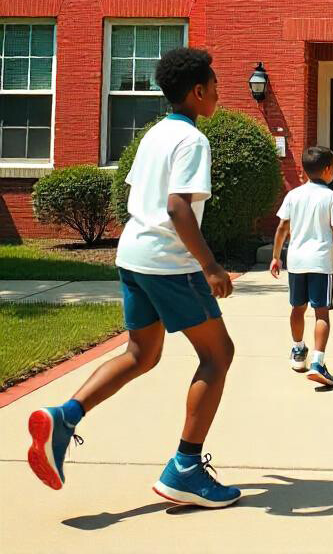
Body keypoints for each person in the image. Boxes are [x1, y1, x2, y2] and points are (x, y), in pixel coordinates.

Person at [27, 47, 240, 507]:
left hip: (134, 255)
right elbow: (178, 207)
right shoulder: (192, 141)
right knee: (218, 354)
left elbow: (141, 195)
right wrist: (210, 266)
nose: (218, 94)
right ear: (198, 91)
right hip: (169, 262)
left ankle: (65, 415)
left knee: (142, 353)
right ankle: (186, 469)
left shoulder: (154, 134)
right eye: (215, 86)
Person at [269, 145, 333, 389]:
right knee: (321, 313)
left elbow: (282, 227)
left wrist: (276, 257)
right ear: (328, 170)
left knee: (297, 307)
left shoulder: (293, 195)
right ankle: (317, 362)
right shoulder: (332, 198)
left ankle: (297, 349)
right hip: (320, 263)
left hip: (296, 262)